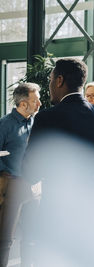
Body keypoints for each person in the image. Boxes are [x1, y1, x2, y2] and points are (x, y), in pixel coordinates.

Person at [22, 58, 94, 265]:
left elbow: (30, 170)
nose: (50, 84)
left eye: (51, 79)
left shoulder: (47, 117)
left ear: (59, 80)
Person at [0, 83, 41, 267]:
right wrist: (4, 176)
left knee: (32, 234)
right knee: (5, 236)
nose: (39, 103)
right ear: (23, 104)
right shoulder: (5, 124)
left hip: (33, 186)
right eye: (35, 100)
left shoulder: (36, 122)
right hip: (12, 184)